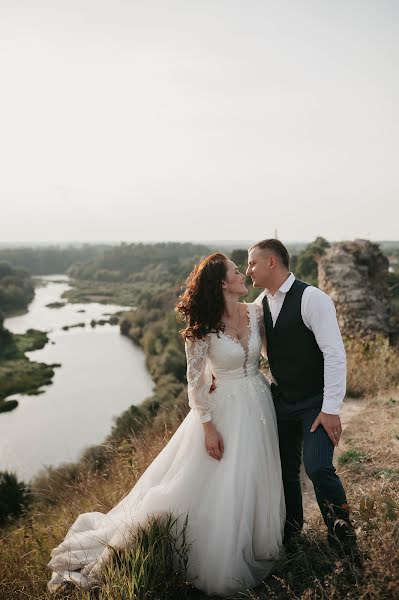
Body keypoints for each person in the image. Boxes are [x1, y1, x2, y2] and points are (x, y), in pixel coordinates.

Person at [47, 252, 285, 597]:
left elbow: (269, 353)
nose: (243, 274)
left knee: (253, 473)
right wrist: (207, 427)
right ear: (222, 283)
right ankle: (207, 553)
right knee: (215, 481)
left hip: (258, 403)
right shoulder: (201, 329)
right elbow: (195, 383)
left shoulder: (257, 312)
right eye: (237, 271)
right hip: (222, 412)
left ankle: (254, 542)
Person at [247, 239, 356, 555]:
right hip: (281, 402)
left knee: (319, 467)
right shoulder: (261, 303)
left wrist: (331, 408)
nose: (249, 269)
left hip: (315, 402)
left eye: (253, 263)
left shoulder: (312, 298)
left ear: (271, 262)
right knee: (283, 471)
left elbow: (334, 353)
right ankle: (293, 537)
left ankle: (344, 543)